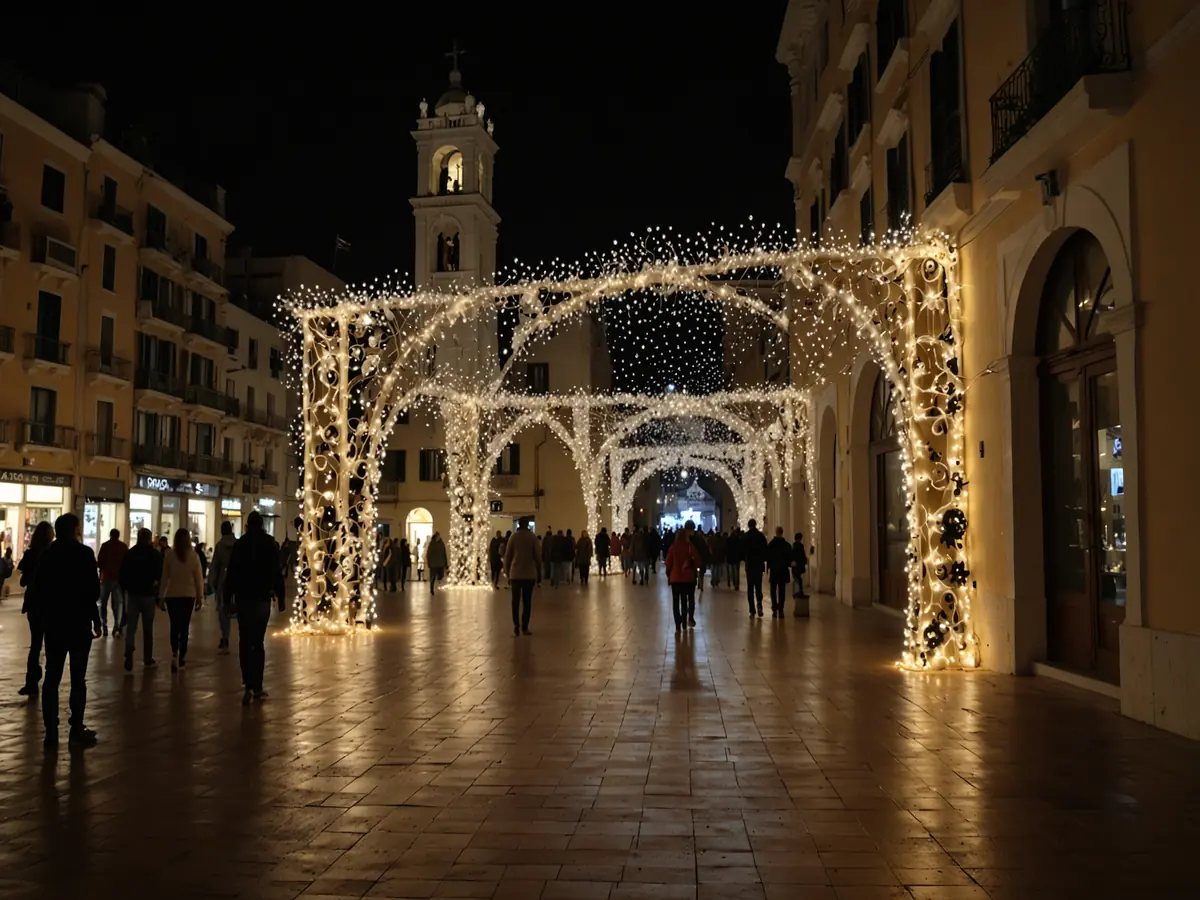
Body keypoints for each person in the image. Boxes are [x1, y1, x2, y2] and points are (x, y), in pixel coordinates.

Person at [33, 514, 102, 749]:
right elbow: (93, 591)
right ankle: (76, 729)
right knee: (77, 678)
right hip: (79, 623)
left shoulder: (46, 556)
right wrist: (96, 619)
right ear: (74, 529)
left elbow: (38, 590)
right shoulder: (84, 554)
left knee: (52, 677)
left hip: (55, 624)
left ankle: (51, 733)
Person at [223, 511, 285, 705]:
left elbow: (231, 574)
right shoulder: (269, 544)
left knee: (244, 639)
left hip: (243, 599)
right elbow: (277, 572)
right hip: (262, 599)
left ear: (248, 525)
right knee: (258, 643)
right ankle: (257, 685)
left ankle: (247, 682)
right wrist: (281, 598)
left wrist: (226, 600)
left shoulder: (240, 545)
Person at [17, 521, 54, 697]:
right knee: (52, 644)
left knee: (36, 644)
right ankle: (49, 681)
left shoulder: (31, 554)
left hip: (34, 604)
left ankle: (31, 681)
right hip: (51, 604)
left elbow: (22, 580)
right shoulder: (53, 554)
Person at [160, 527, 204, 672]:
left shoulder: (170, 556)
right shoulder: (194, 557)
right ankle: (182, 657)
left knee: (174, 625)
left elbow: (164, 578)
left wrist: (161, 597)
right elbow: (198, 580)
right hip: (188, 596)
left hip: (172, 596)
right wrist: (200, 597)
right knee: (184, 626)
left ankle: (174, 652)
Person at [121, 528, 163, 671]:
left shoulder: (130, 554)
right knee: (147, 629)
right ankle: (147, 658)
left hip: (133, 595)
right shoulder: (154, 555)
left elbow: (123, 574)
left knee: (131, 627)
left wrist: (126, 588)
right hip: (148, 595)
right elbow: (160, 574)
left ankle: (128, 650)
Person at [503, 518, 539, 635]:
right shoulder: (532, 537)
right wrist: (539, 572)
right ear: (527, 525)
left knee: (515, 601)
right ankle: (525, 626)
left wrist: (507, 573)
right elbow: (538, 556)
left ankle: (516, 626)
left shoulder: (513, 537)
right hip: (529, 574)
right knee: (527, 601)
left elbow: (507, 556)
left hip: (515, 574)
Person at [208, 521, 237, 652]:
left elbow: (214, 566)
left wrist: (212, 582)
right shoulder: (238, 544)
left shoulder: (219, 546)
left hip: (223, 581)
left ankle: (225, 637)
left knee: (223, 610)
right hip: (237, 581)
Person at [666, 526, 701, 631]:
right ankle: (685, 622)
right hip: (688, 578)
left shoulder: (673, 547)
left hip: (675, 578)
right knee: (686, 600)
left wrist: (669, 573)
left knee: (676, 601)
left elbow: (668, 562)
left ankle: (678, 623)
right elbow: (697, 561)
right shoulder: (690, 547)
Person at [96, 528, 128, 638]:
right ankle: (117, 626)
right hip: (118, 579)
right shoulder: (123, 547)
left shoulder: (105, 546)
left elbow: (99, 562)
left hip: (106, 577)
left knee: (103, 602)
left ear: (110, 535)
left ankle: (104, 624)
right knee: (118, 603)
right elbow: (126, 563)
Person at [743, 518, 768, 618]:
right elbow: (765, 550)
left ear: (749, 525)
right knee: (758, 586)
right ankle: (759, 605)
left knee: (750, 587)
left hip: (750, 565)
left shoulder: (746, 537)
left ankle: (752, 608)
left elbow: (743, 550)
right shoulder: (761, 536)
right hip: (758, 565)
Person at [767, 526, 793, 618]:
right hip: (783, 570)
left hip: (774, 570)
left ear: (776, 532)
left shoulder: (771, 544)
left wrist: (769, 567)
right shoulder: (786, 545)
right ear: (782, 533)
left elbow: (768, 557)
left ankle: (774, 608)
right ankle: (781, 609)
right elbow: (790, 558)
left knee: (773, 590)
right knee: (782, 591)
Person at [690, 526, 710, 594]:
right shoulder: (703, 541)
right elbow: (706, 550)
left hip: (696, 558)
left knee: (696, 572)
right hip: (702, 558)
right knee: (701, 573)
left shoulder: (693, 540)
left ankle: (698, 583)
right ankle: (700, 584)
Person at [792, 532, 809, 601]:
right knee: (799, 579)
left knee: (796, 578)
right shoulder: (800, 546)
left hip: (795, 565)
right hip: (799, 565)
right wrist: (804, 563)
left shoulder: (793, 546)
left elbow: (792, 555)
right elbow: (803, 555)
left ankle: (797, 591)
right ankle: (799, 591)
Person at [726, 527, 744, 591]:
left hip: (730, 558)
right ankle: (736, 584)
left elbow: (727, 549)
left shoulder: (729, 540)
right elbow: (740, 549)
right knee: (736, 571)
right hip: (736, 558)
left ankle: (733, 582)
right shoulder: (738, 539)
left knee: (732, 571)